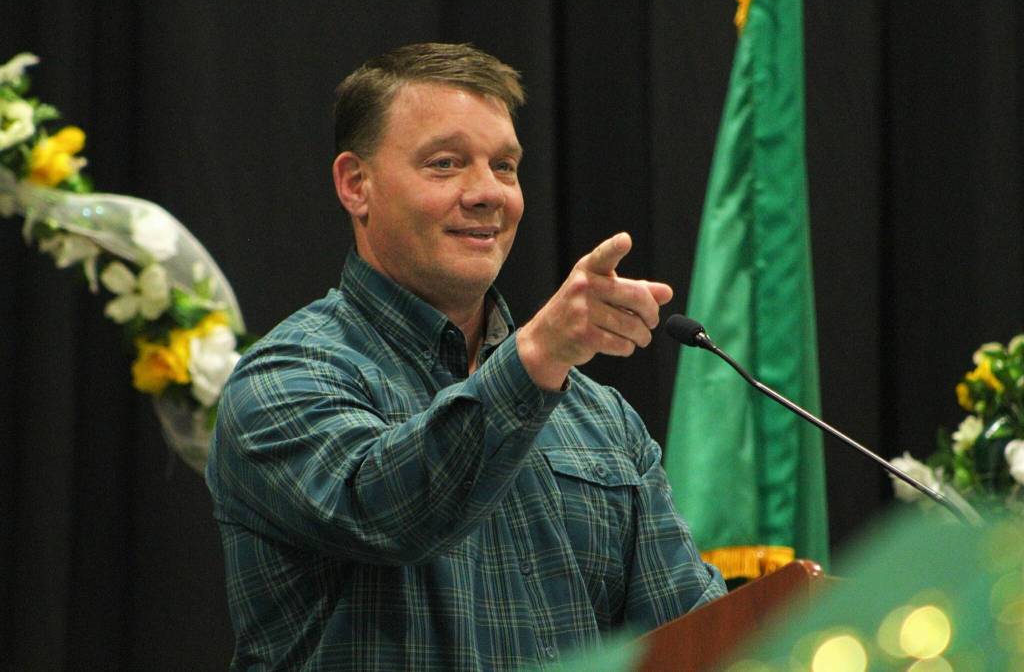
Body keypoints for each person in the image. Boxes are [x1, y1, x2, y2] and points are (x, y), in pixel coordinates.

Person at [206, 42, 725, 671]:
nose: (489, 194)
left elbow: (698, 638)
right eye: (446, 163)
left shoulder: (601, 419)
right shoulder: (284, 378)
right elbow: (394, 511)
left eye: (505, 167)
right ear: (356, 184)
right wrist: (536, 356)